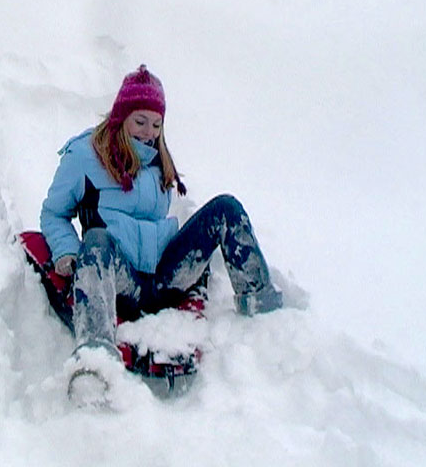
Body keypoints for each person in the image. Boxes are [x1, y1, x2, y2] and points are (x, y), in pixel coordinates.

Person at [40, 64, 282, 406]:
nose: (149, 133)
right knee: (96, 238)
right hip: (121, 279)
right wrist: (67, 251)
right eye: (140, 121)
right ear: (121, 116)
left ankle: (264, 312)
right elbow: (53, 213)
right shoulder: (85, 156)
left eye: (156, 124)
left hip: (165, 278)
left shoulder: (158, 161)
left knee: (226, 209)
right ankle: (95, 360)